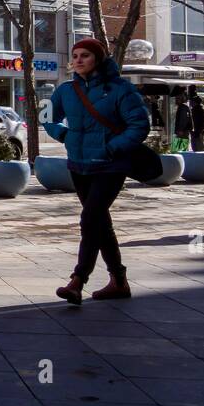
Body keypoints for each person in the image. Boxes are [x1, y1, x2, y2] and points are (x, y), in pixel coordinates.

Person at [46, 37, 149, 305]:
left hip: (110, 165)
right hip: (79, 165)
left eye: (85, 55)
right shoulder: (65, 90)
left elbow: (139, 125)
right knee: (99, 223)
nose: (79, 60)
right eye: (76, 55)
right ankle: (119, 280)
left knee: (90, 219)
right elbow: (46, 117)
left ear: (98, 59)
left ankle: (78, 280)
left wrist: (112, 147)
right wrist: (63, 135)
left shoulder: (120, 89)